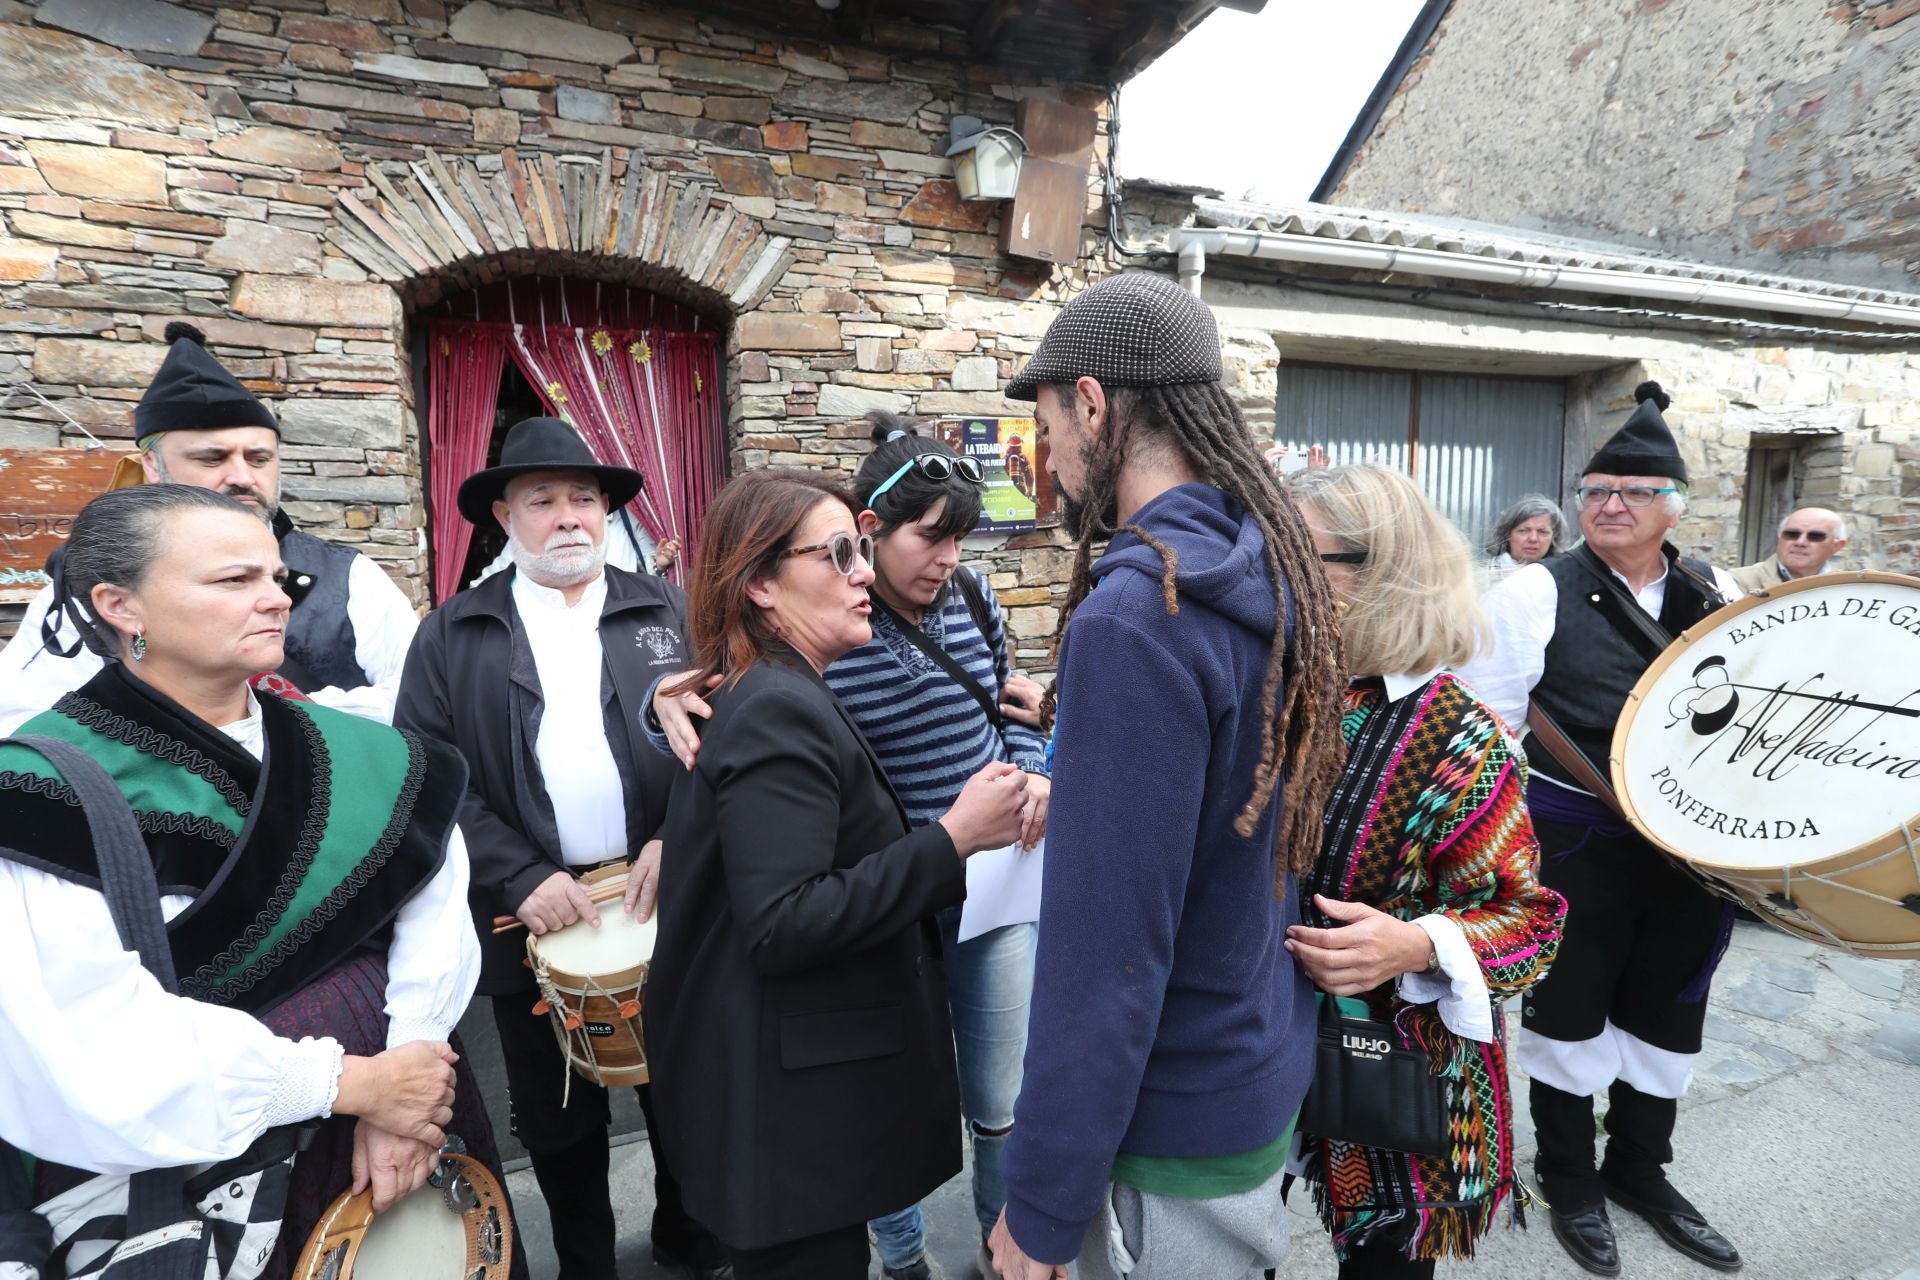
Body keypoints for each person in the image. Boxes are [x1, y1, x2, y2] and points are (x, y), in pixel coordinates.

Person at [0, 484, 506, 1278]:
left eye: (278, 579)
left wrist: (411, 1081)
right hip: (206, 1161)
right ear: (118, 605)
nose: (274, 599)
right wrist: (351, 1084)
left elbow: (434, 908)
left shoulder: (372, 753)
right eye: (234, 581)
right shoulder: (39, 792)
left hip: (411, 1110)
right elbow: (85, 1030)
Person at [985, 272, 1348, 1280]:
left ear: (1094, 403)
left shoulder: (1137, 618)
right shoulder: (1268, 564)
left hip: (1172, 1123)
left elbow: (1110, 957)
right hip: (1252, 1066)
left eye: (1051, 425)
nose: (1050, 461)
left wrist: (1045, 1203)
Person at [650, 416, 1052, 1280]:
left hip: (834, 1048)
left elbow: (1001, 712)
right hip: (791, 1107)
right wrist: (951, 839)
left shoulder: (780, 685)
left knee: (996, 1102)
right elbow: (783, 918)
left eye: (858, 552)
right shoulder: (775, 706)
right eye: (839, 555)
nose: (862, 573)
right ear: (760, 583)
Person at [393, 418, 726, 1280]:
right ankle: (586, 1263)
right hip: (531, 912)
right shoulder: (452, 633)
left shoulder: (671, 612)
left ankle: (690, 1238)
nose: (569, 517)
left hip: (663, 891)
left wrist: (675, 838)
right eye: (543, 500)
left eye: (586, 499)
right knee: (556, 1113)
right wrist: (519, 873)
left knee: (687, 1095)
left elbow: (727, 742)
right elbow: (430, 776)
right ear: (505, 515)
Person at [1456, 381, 1746, 1276]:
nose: (1608, 506)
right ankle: (1571, 1179)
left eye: (1632, 492)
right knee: (1569, 1014)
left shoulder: (1717, 589)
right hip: (1576, 841)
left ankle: (1639, 1171)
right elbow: (1489, 726)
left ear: (1674, 508)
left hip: (1694, 853)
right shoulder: (1531, 594)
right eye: (1594, 491)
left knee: (1667, 1009)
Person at [1284, 464, 1566, 1278]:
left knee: (1383, 1261)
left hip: (1393, 1064)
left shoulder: (1459, 734)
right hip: (1256, 1039)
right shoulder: (1283, 688)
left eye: (1304, 558)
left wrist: (1414, 944)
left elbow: (1528, 922)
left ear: (1380, 577)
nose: (1275, 577)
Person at [0, 322, 419, 732]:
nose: (242, 476)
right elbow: (22, 717)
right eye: (212, 458)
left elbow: (420, 696)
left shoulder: (350, 576)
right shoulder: (93, 587)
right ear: (153, 466)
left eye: (258, 459)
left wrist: (277, 717)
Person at [1727, 506, 1848, 593]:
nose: (1800, 542)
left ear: (1838, 546)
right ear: (1779, 538)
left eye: (1815, 536)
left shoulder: (1847, 587)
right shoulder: (1737, 582)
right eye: (1791, 534)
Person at [1484, 493, 1569, 586]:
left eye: (1542, 532)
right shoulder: (1483, 580)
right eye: (1524, 531)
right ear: (1507, 534)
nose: (1533, 539)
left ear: (1554, 537)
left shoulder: (1565, 580)